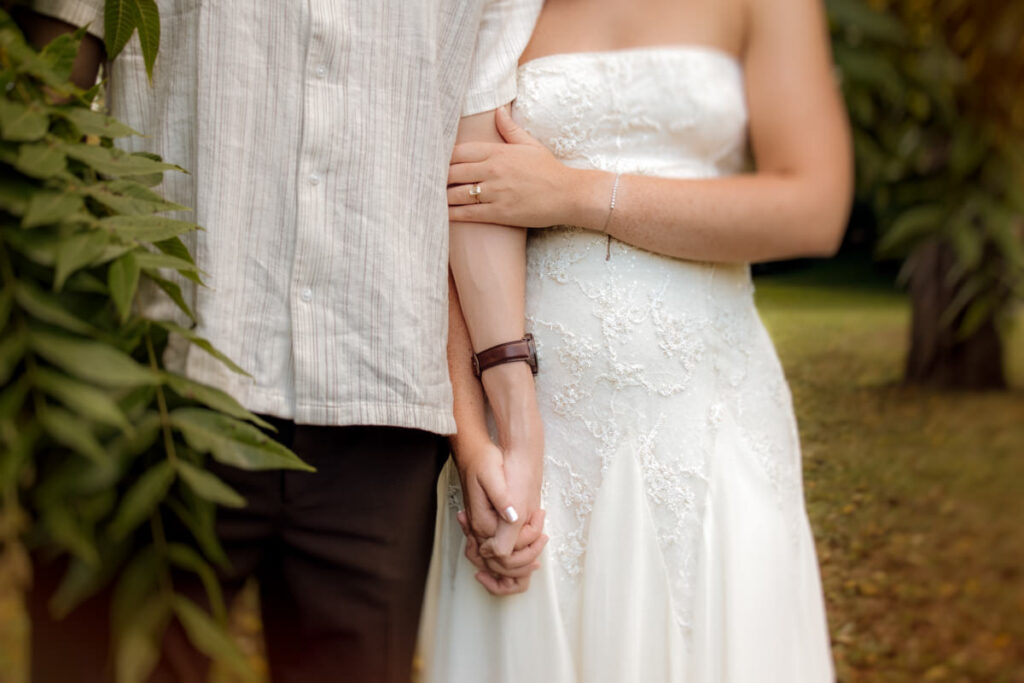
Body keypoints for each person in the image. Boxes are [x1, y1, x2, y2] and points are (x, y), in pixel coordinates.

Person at [18, 1, 545, 681]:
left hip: (381, 409)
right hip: (161, 382)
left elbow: (477, 170)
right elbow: (41, 101)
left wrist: (513, 434)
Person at [424, 0, 852, 679]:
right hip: (535, 442)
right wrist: (473, 437)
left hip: (710, 422)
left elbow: (814, 209)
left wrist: (576, 194)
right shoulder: (492, 7)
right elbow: (445, 220)